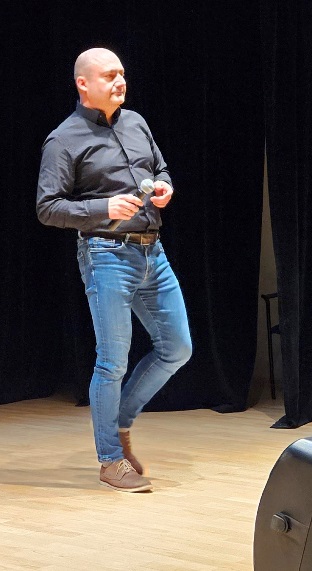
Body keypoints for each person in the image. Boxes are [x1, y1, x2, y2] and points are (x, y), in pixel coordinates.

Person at [36, 48, 193, 493]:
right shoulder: (63, 139)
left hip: (152, 252)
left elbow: (160, 168)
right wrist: (101, 208)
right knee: (112, 361)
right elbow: (47, 207)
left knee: (177, 347)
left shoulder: (136, 122)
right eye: (110, 75)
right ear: (83, 84)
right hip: (105, 254)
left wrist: (164, 187)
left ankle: (119, 422)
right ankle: (110, 460)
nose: (120, 81)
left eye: (122, 73)